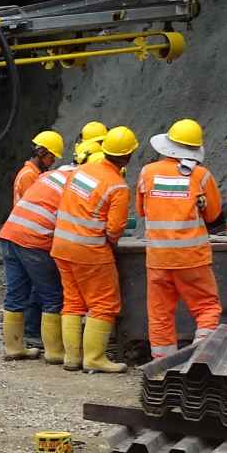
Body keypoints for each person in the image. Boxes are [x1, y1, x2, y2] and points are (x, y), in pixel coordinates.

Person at [51, 125, 137, 373]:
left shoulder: (82, 170)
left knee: (73, 303)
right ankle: (94, 358)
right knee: (103, 304)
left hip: (61, 245)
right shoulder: (117, 186)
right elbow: (115, 228)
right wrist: (108, 240)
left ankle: (71, 358)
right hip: (89, 250)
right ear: (128, 156)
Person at [137, 119, 224, 357]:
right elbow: (214, 214)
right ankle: (202, 357)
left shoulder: (147, 172)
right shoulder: (201, 175)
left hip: (158, 258)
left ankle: (161, 368)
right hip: (192, 257)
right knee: (207, 308)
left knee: (160, 314)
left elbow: (142, 210)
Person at [0, 131, 67, 361]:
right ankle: (54, 351)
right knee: (51, 294)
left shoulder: (36, 174)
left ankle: (15, 347)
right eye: (51, 157)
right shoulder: (31, 176)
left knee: (17, 293)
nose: (53, 162)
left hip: (12, 234)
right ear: (41, 152)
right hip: (29, 239)